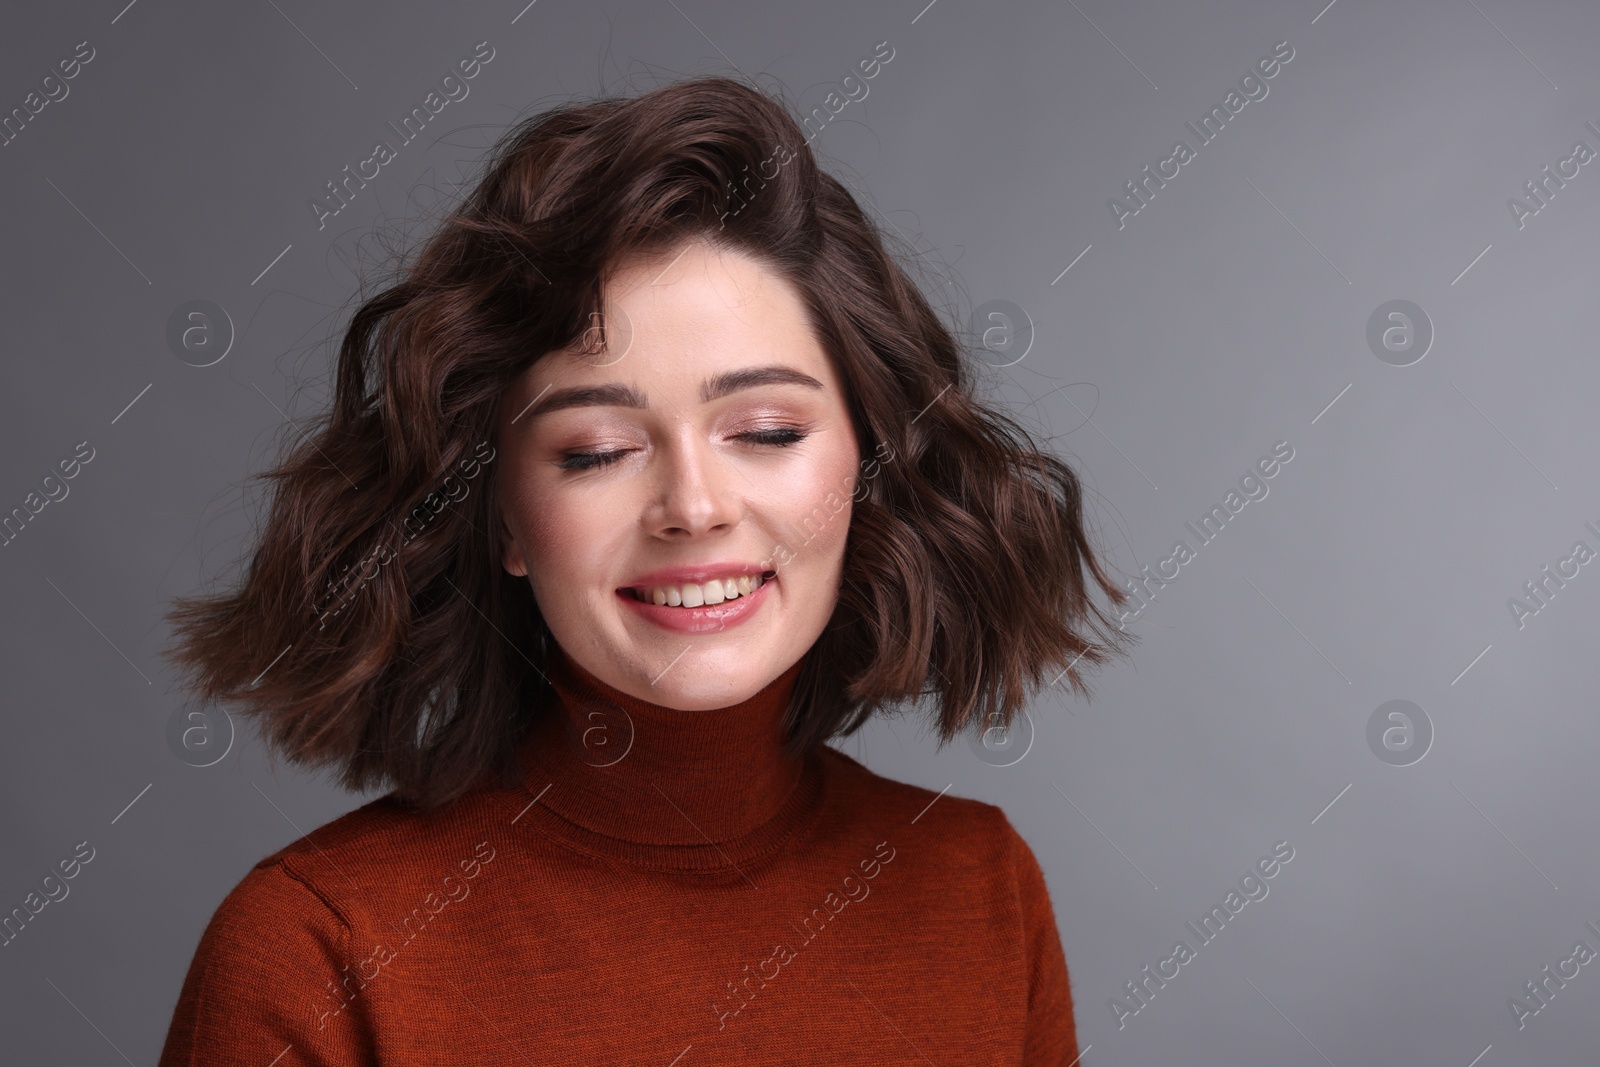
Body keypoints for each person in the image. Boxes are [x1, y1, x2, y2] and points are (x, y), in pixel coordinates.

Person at [157, 75, 1135, 1065]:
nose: (695, 504)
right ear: (499, 514)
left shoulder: (982, 893)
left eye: (764, 429)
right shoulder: (315, 952)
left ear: (867, 463)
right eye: (594, 451)